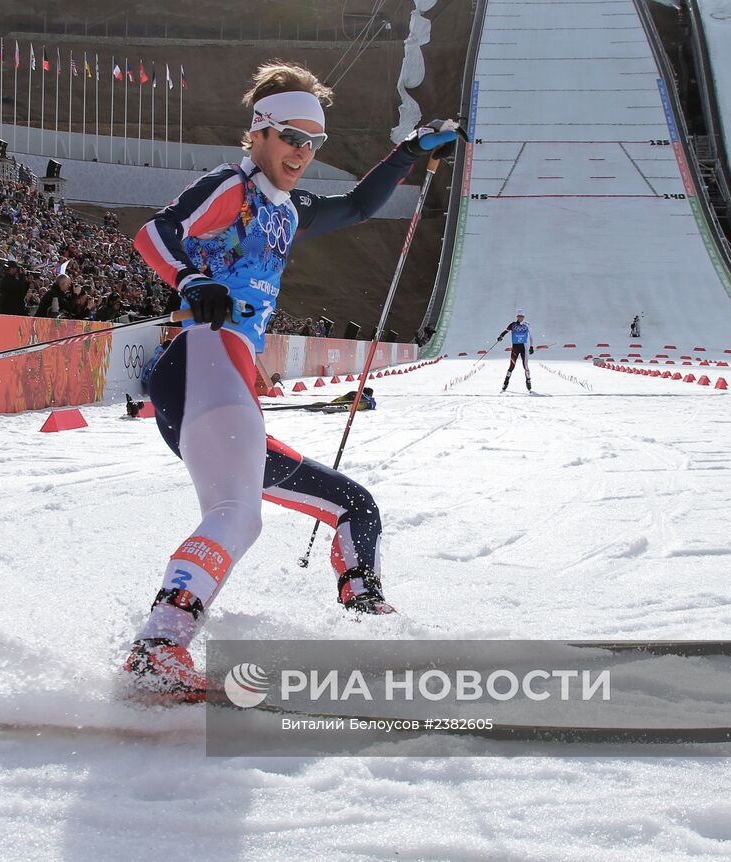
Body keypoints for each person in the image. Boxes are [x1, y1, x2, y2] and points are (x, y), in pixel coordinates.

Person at [121, 61, 461, 699]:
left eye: (314, 143)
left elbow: (359, 204)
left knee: (353, 504)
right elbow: (154, 235)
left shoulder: (288, 208)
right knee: (237, 515)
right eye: (291, 139)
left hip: (228, 380)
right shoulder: (234, 187)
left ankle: (368, 622)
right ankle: (158, 648)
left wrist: (410, 151)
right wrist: (192, 281)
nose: (302, 153)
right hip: (202, 361)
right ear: (259, 134)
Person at [498, 309, 535, 392]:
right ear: (517, 317)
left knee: (525, 365)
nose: (520, 318)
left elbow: (531, 336)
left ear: (523, 317)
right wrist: (501, 336)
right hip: (515, 347)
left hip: (524, 348)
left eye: (521, 316)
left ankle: (528, 382)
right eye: (518, 316)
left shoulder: (527, 325)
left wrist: (531, 346)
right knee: (512, 365)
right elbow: (506, 331)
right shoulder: (513, 325)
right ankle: (505, 382)